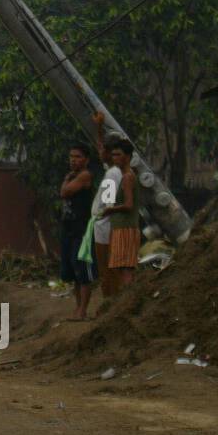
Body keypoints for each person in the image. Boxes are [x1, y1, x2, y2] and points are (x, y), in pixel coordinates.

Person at [59, 143, 96, 320]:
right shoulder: (72, 176)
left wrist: (67, 178)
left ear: (86, 160)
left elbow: (65, 192)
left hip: (82, 230)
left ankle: (83, 310)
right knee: (73, 272)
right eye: (71, 156)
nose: (73, 160)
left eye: (78, 157)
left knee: (82, 270)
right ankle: (78, 308)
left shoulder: (85, 176)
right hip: (69, 228)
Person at [91, 112, 123, 303]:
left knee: (107, 272)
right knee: (108, 271)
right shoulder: (113, 170)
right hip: (104, 228)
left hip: (105, 230)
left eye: (104, 149)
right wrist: (99, 128)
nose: (100, 152)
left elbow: (109, 206)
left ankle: (111, 304)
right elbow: (100, 148)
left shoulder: (113, 175)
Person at [103, 137, 140, 288]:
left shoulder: (128, 177)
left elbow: (129, 205)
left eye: (118, 154)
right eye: (113, 155)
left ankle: (128, 297)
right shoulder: (124, 176)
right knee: (121, 267)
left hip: (125, 228)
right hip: (120, 227)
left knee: (125, 268)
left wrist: (110, 210)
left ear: (128, 156)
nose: (115, 158)